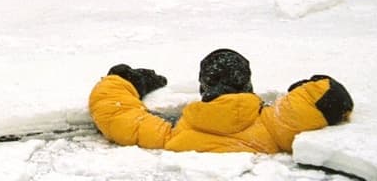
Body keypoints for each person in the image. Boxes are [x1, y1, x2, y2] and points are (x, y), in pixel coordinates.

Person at [88, 48, 353, 154]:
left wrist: (128, 80)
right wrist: (301, 88)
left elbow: (114, 112)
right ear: (248, 84)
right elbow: (331, 95)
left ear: (204, 88)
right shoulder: (276, 127)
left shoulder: (173, 136)